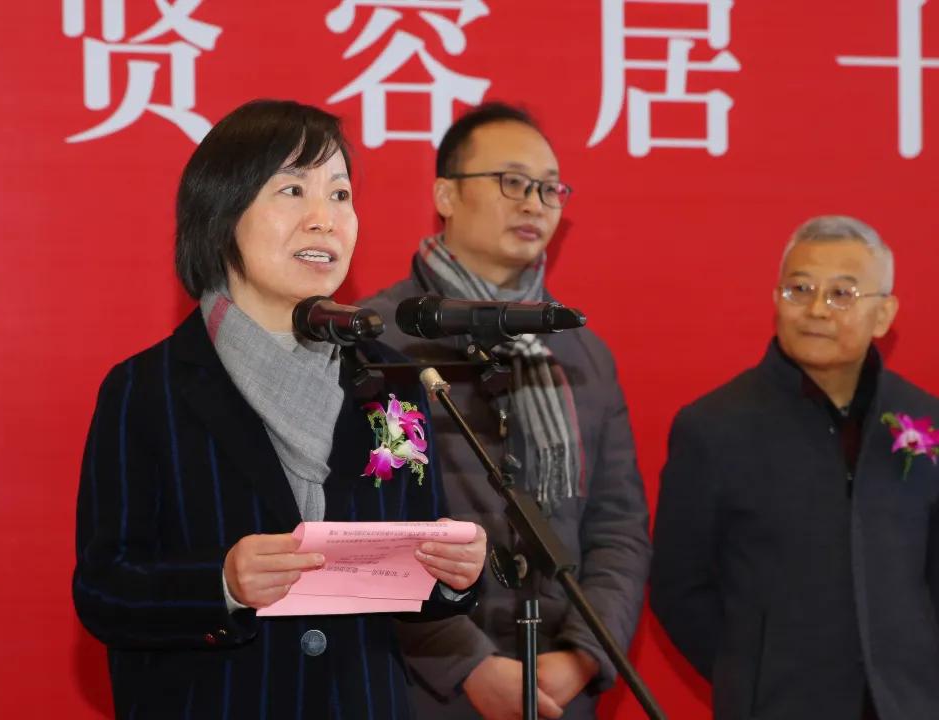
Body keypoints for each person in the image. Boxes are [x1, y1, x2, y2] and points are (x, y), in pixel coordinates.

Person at [72, 99, 487, 720]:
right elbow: (106, 590)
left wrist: (453, 575)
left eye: (340, 194)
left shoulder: (392, 382)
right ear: (222, 215)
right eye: (292, 190)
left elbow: (410, 568)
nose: (324, 219)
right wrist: (222, 584)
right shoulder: (147, 389)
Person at [359, 102, 651, 720]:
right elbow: (372, 525)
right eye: (512, 182)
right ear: (445, 194)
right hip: (422, 688)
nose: (535, 204)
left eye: (550, 189)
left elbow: (617, 527)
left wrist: (583, 656)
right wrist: (468, 664)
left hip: (559, 689)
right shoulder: (383, 340)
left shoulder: (580, 352)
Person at [650, 216, 939, 719]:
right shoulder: (714, 427)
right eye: (799, 289)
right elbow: (679, 587)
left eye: (841, 294)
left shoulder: (924, 419)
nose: (816, 309)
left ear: (883, 314)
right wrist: (748, 672)